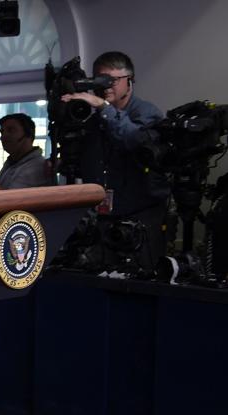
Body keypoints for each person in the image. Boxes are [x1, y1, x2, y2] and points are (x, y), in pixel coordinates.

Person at [61, 51, 168, 267]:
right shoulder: (94, 120)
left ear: (130, 80)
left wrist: (104, 108)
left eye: (113, 80)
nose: (106, 86)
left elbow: (133, 139)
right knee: (104, 276)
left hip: (142, 216)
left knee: (141, 278)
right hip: (103, 217)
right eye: (100, 80)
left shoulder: (146, 113)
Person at [0, 113, 51, 191]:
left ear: (28, 134)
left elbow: (2, 201)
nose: (3, 136)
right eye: (2, 132)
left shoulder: (35, 167)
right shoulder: (13, 161)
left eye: (11, 130)